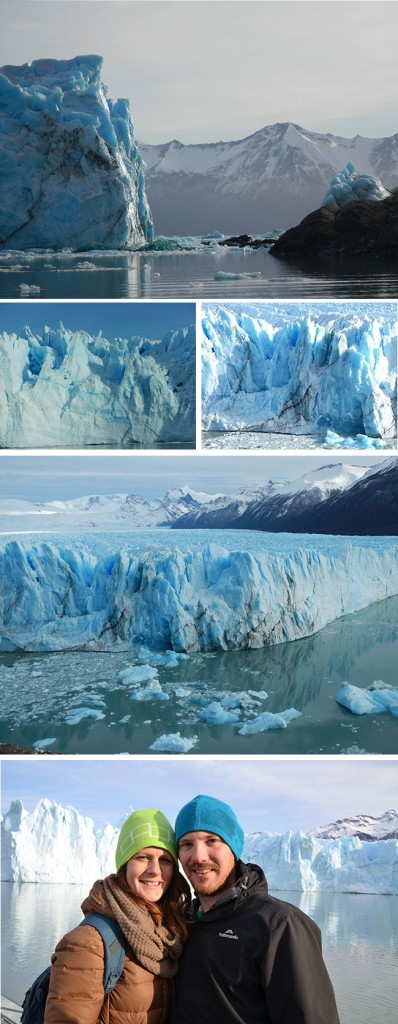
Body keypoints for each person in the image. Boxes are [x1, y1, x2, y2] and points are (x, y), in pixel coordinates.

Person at [171, 794, 341, 1024]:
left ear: (234, 847)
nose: (198, 857)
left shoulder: (280, 925)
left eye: (212, 841)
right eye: (186, 844)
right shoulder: (184, 921)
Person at [44, 808, 190, 1024]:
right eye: (142, 857)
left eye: (165, 860)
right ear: (125, 865)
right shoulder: (89, 943)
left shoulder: (172, 931)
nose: (155, 870)